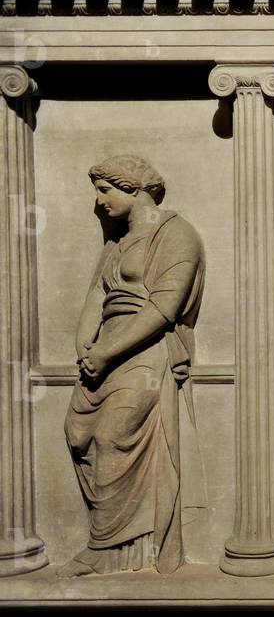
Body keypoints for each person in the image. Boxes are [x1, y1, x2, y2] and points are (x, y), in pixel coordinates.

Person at [59, 155, 205, 577]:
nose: (99, 200)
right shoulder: (116, 244)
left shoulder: (177, 234)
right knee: (78, 433)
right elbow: (97, 295)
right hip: (104, 353)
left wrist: (107, 352)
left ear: (133, 188)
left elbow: (164, 307)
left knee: (113, 435)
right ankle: (117, 541)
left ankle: (108, 548)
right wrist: (86, 344)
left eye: (105, 190)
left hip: (145, 352)